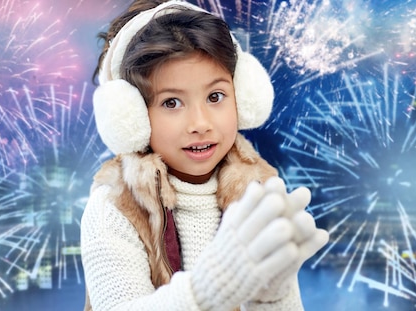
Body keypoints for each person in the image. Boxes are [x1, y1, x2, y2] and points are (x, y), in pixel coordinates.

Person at [80, 0, 329, 310]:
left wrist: (272, 295)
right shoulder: (115, 205)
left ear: (243, 95)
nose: (200, 124)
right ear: (132, 117)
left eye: (215, 96)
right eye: (171, 103)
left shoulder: (258, 193)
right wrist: (206, 290)